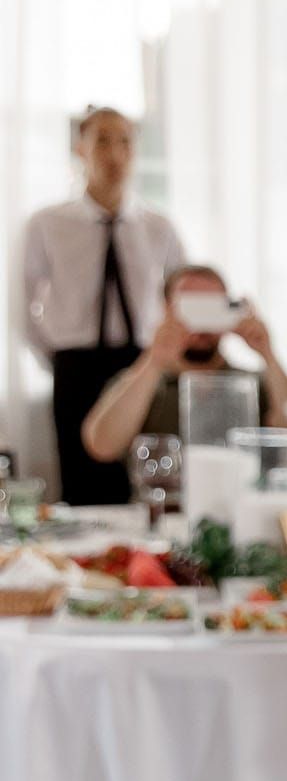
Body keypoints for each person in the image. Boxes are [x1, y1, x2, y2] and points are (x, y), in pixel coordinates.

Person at [22, 106, 186, 504]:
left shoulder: (158, 226)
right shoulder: (47, 224)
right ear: (81, 149)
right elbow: (25, 304)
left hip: (139, 363)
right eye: (102, 141)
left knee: (142, 480)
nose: (114, 154)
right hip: (75, 364)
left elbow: (180, 296)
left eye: (125, 142)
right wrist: (58, 355)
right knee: (81, 483)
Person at [81, 265, 287, 465]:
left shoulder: (251, 384)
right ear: (166, 310)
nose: (201, 324)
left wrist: (268, 355)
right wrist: (154, 360)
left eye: (213, 307)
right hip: (163, 504)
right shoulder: (143, 381)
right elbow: (102, 446)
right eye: (191, 306)